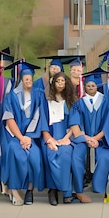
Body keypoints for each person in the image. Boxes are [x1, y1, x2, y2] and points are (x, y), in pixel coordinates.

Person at [2, 66, 46, 205]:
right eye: (25, 78)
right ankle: (14, 190)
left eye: (30, 79)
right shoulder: (12, 96)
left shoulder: (38, 94)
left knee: (35, 157)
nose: (28, 81)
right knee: (17, 155)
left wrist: (28, 137)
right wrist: (21, 137)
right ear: (21, 79)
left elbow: (39, 116)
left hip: (32, 135)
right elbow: (9, 119)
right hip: (14, 136)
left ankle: (29, 190)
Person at [69, 70, 109, 202]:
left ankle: (98, 186)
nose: (90, 87)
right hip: (83, 139)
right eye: (88, 85)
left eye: (93, 85)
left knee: (105, 157)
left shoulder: (107, 103)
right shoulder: (78, 104)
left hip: (102, 140)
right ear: (84, 87)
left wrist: (96, 139)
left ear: (97, 86)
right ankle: (77, 188)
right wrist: (87, 139)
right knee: (77, 157)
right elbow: (75, 123)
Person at [41, 72, 77, 206]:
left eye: (63, 81)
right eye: (58, 81)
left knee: (66, 156)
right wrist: (49, 139)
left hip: (66, 138)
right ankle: (53, 190)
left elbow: (75, 122)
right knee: (51, 155)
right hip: (50, 136)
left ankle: (66, 191)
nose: (61, 83)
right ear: (53, 83)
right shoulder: (46, 101)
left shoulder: (71, 101)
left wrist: (65, 139)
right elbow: (43, 122)